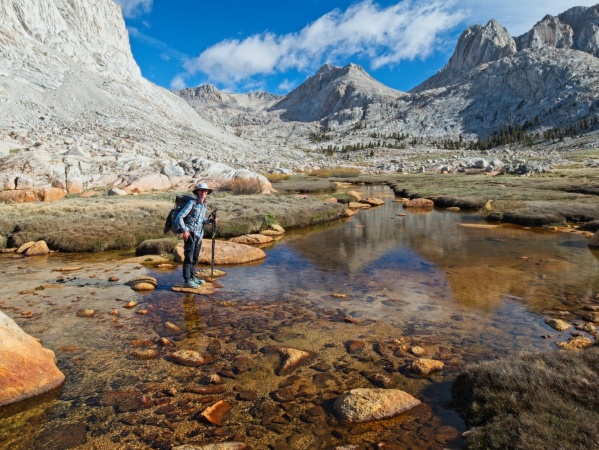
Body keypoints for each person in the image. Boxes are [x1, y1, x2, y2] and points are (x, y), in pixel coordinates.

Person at [175, 182, 217, 288]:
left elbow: (201, 219)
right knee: (189, 258)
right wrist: (185, 231)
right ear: (198, 192)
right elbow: (179, 217)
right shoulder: (192, 203)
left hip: (199, 235)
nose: (204, 192)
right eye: (202, 190)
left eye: (205, 191)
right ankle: (187, 281)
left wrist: (210, 220)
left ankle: (193, 277)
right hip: (191, 234)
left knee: (195, 257)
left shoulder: (204, 204)